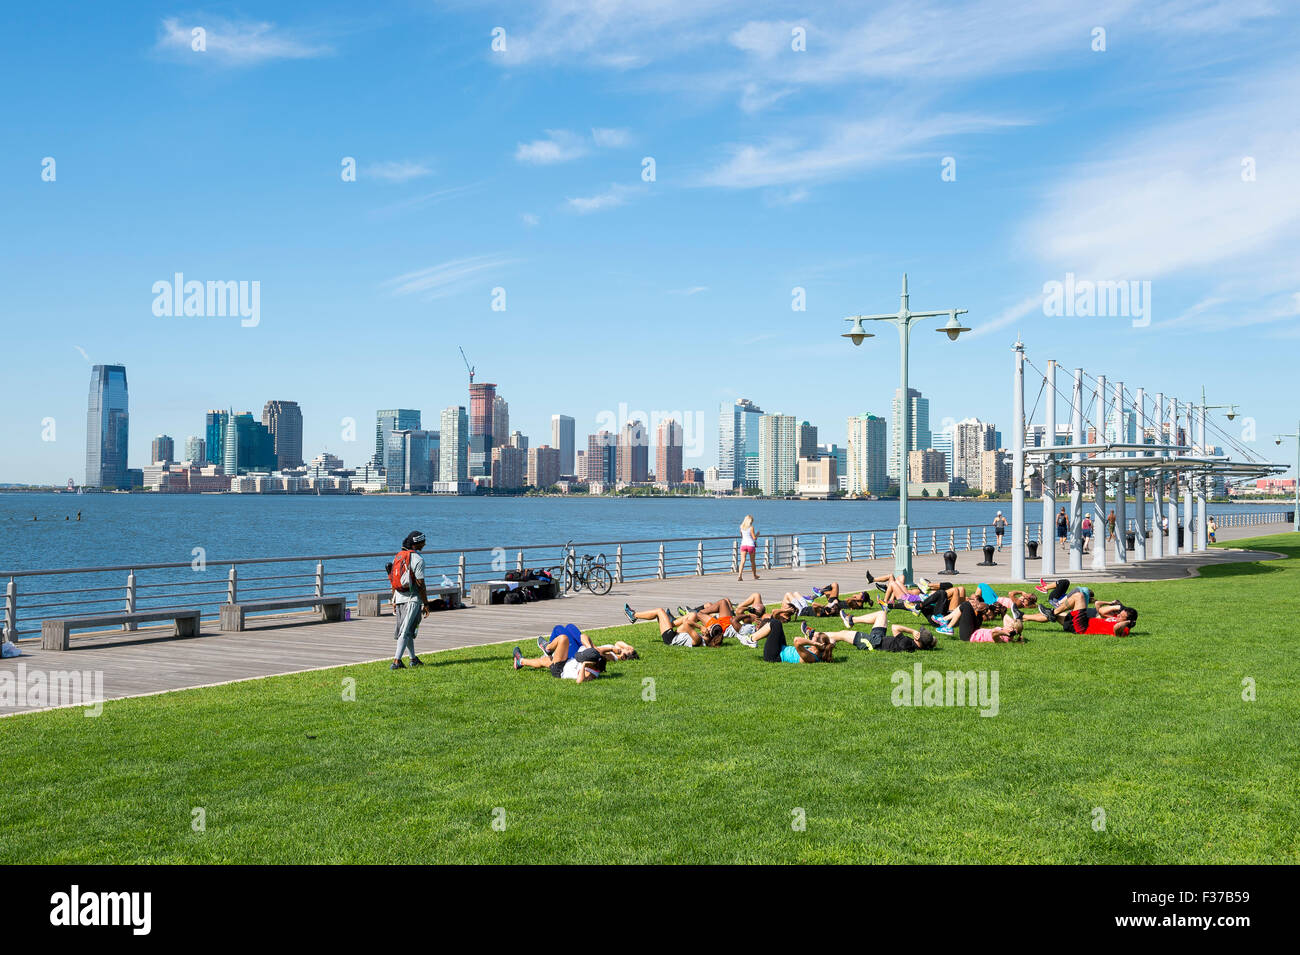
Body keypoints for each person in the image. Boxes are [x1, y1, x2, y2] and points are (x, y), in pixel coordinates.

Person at [390, 530, 428, 669]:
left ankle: (413, 659)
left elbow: (393, 580)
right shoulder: (418, 560)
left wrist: (393, 599)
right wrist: (426, 603)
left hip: (399, 597)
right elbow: (420, 584)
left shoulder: (398, 556)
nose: (425, 544)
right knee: (405, 631)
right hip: (412, 599)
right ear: (417, 543)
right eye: (423, 542)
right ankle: (396, 661)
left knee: (408, 629)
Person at [825, 611, 936, 652]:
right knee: (882, 614)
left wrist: (911, 631)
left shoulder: (907, 644)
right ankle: (851, 620)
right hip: (880, 638)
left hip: (873, 644)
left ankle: (815, 636)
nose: (917, 632)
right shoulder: (921, 645)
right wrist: (931, 642)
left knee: (843, 634)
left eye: (919, 633)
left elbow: (895, 627)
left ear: (917, 639)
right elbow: (932, 642)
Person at [624, 605, 724, 647]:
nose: (707, 626)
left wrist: (700, 627)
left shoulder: (698, 639)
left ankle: (633, 616)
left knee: (659, 611)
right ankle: (669, 621)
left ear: (709, 634)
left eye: (710, 627)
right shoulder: (702, 639)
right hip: (678, 634)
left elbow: (686, 623)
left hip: (670, 638)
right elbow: (688, 622)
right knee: (693, 615)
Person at [747, 616, 827, 663]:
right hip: (781, 648)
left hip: (774, 656)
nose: (812, 636)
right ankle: (755, 634)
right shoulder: (812, 649)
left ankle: (751, 639)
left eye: (814, 637)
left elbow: (797, 641)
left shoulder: (812, 657)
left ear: (818, 644)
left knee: (776, 623)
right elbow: (831, 643)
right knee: (771, 622)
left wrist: (814, 643)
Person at [738, 514, 759, 582]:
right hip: (750, 545)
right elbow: (754, 538)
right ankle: (754, 575)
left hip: (743, 545)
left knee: (742, 561)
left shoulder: (741, 527)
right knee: (752, 561)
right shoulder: (751, 527)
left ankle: (740, 576)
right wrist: (757, 535)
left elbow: (742, 536)